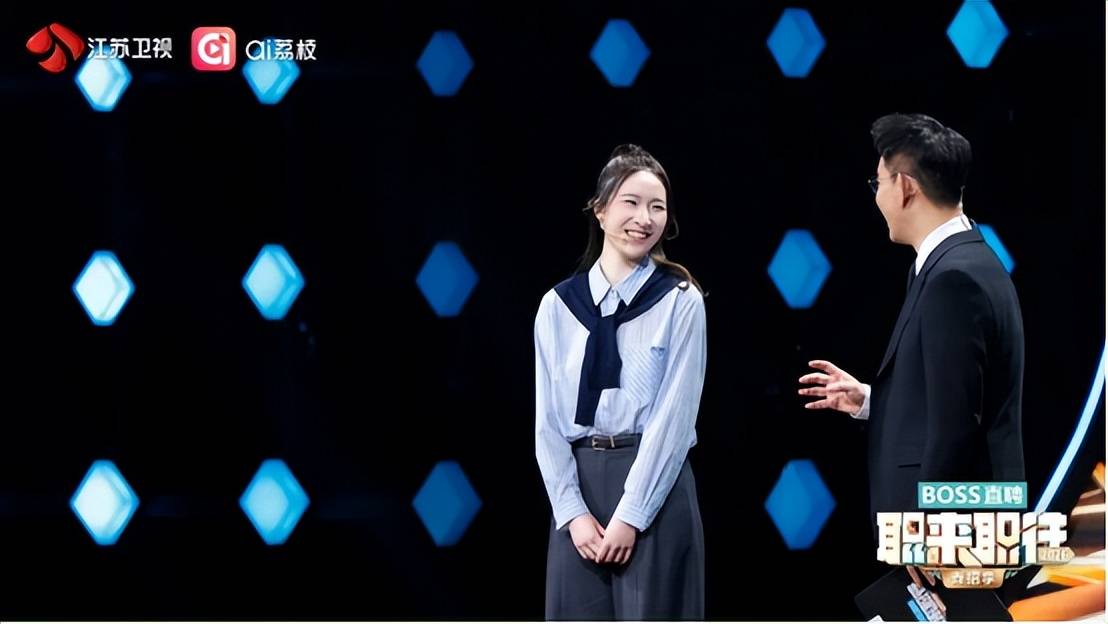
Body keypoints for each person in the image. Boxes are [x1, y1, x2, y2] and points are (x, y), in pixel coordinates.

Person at [799, 113, 1025, 519]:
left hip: (951, 530)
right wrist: (871, 401)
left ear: (905, 187)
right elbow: (946, 399)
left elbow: (956, 427)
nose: (876, 198)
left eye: (878, 184)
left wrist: (923, 532)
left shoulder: (954, 279)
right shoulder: (959, 262)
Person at [534, 144, 706, 620]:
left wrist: (632, 515)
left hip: (656, 488)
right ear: (601, 209)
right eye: (631, 202)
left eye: (657, 207)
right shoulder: (557, 307)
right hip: (578, 492)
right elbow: (546, 423)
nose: (644, 219)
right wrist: (572, 513)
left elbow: (675, 420)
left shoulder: (680, 300)